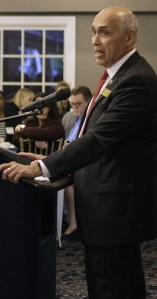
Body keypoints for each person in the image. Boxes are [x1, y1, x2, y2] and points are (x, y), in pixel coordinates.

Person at [0, 6, 157, 299]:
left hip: (115, 212)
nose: (95, 40)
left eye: (104, 32)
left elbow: (100, 141)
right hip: (111, 209)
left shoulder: (135, 81)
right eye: (92, 31)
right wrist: (45, 160)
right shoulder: (117, 80)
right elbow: (89, 143)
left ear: (129, 35)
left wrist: (41, 169)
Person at [62, 86, 92, 237]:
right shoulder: (70, 117)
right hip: (72, 159)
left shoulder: (93, 119)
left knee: (63, 178)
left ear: (89, 102)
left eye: (78, 104)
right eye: (72, 104)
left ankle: (74, 222)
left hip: (87, 162)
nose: (74, 108)